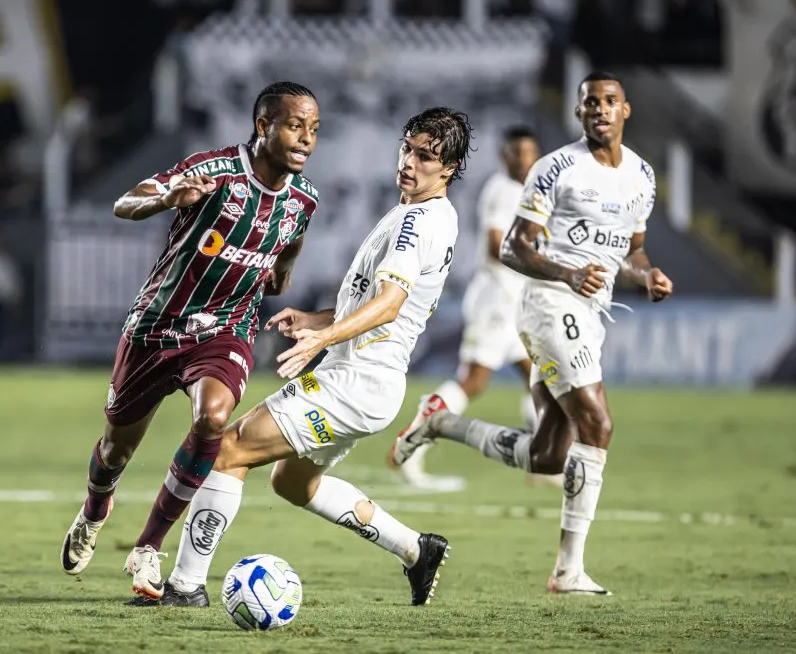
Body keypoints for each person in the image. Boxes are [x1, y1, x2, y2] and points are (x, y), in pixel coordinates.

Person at [146, 107, 472, 609]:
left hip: (355, 381)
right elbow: (375, 303)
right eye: (407, 147)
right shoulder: (425, 214)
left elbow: (390, 304)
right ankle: (415, 549)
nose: (409, 161)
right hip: (370, 383)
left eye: (425, 156)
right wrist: (319, 320)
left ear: (448, 169)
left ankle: (185, 587)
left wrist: (323, 340)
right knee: (294, 482)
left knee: (229, 448)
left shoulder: (418, 222)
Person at [391, 72, 674, 595]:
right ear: (579, 111)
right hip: (549, 303)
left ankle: (442, 425)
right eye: (590, 102)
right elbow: (512, 248)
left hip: (592, 313)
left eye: (610, 101)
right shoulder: (556, 168)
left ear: (625, 111)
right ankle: (568, 570)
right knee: (598, 424)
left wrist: (646, 274)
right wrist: (568, 273)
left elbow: (631, 252)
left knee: (548, 454)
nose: (600, 110)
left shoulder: (641, 176)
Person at [59, 82, 322, 599]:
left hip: (227, 329)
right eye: (295, 125)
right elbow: (125, 201)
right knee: (115, 450)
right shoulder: (214, 171)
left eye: (314, 129)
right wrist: (165, 200)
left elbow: (292, 241)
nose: (306, 138)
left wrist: (281, 270)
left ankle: (148, 548)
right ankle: (94, 509)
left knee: (214, 418)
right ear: (262, 125)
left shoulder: (302, 199)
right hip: (157, 326)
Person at [392, 126, 561, 491]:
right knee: (473, 380)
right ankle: (413, 441)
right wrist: (544, 266)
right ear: (504, 156)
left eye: (529, 152)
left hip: (512, 301)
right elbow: (497, 244)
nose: (524, 159)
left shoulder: (525, 190)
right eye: (516, 152)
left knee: (539, 378)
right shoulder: (505, 190)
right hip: (497, 299)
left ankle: (542, 459)